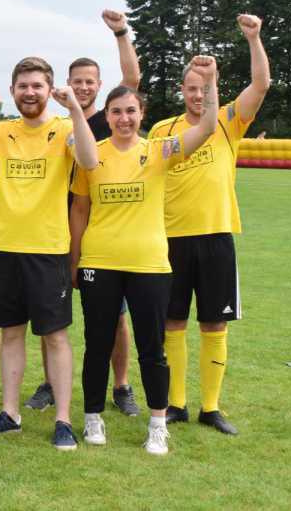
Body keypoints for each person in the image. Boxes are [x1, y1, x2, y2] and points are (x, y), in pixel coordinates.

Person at [70, 57, 220, 455]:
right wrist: (74, 260)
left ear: (142, 114)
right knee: (97, 344)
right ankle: (92, 418)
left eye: (131, 111)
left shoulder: (160, 150)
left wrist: (211, 81)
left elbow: (207, 126)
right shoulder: (91, 154)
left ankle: (158, 423)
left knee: (152, 347)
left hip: (150, 264)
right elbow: (79, 209)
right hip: (99, 263)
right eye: (116, 111)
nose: (124, 118)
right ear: (106, 114)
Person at [0, 56, 98, 450]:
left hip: (48, 249)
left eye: (37, 86)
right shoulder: (1, 132)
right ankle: (10, 414)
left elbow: (89, 160)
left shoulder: (64, 127)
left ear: (49, 89)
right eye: (22, 86)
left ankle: (63, 420)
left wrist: (77, 111)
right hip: (4, 248)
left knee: (55, 336)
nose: (29, 93)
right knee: (11, 333)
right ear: (12, 91)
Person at [148, 14, 270, 436]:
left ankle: (211, 408)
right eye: (192, 88)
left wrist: (253, 39)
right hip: (169, 239)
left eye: (204, 89)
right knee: (172, 322)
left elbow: (260, 86)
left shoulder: (228, 122)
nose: (198, 95)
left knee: (214, 323)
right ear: (182, 90)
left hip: (217, 236)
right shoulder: (163, 130)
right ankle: (177, 403)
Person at [29, 9, 143, 415]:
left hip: (109, 232)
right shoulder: (60, 125)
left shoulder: (109, 119)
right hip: (61, 227)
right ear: (68, 84)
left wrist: (120, 33)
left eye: (90, 82)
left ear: (99, 85)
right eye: (76, 81)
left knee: (115, 318)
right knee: (52, 314)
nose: (83, 87)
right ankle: (47, 383)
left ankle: (122, 386)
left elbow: (132, 81)